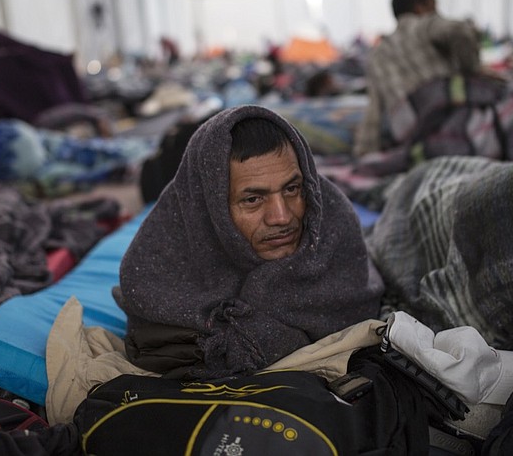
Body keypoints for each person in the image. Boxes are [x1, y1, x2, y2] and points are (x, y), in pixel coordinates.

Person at [114, 105, 384, 377]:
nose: (281, 216)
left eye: (292, 189)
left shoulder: (333, 229)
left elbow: (359, 296)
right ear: (210, 209)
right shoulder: (157, 272)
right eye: (252, 199)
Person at [354, 0, 484, 156]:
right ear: (420, 7)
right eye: (433, 5)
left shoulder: (377, 54)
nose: (437, 12)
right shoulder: (423, 25)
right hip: (452, 124)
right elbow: (460, 31)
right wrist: (472, 71)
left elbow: (374, 111)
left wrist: (364, 153)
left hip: (413, 140)